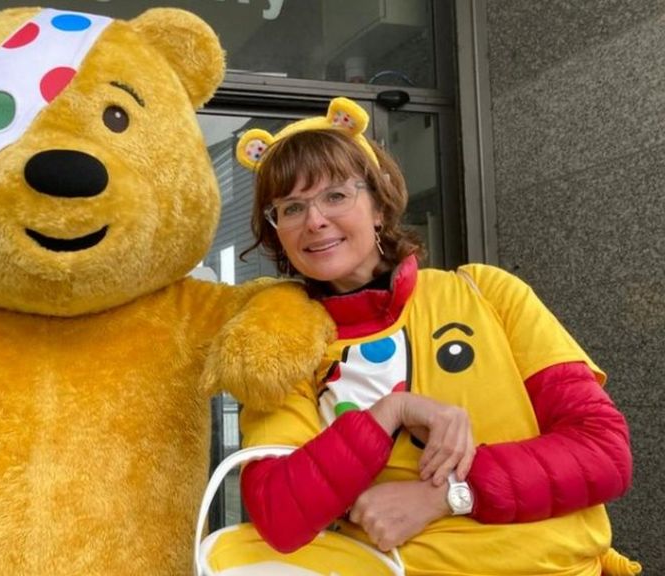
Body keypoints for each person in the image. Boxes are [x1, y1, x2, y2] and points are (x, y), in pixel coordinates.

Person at [232, 98, 635, 575]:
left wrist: (447, 495)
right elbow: (278, 512)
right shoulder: (283, 343)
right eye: (291, 208)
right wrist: (389, 413)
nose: (314, 220)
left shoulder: (487, 292)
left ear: (379, 206)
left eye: (336, 196)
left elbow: (603, 451)